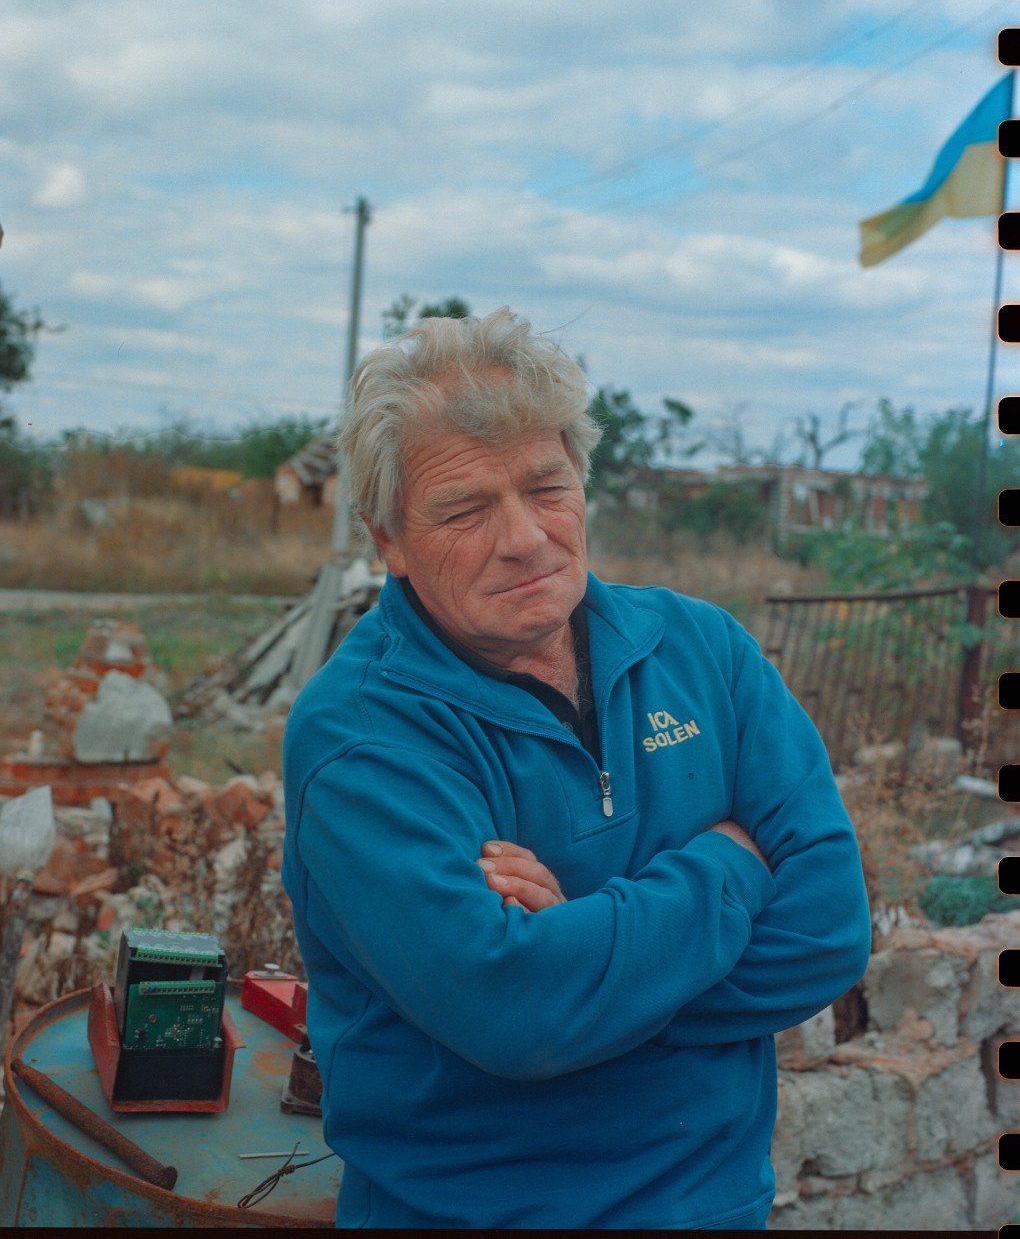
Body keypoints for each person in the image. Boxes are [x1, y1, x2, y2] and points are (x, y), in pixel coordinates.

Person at [281, 307, 872, 1230]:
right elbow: (516, 1012)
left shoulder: (702, 648)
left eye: (546, 487)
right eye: (466, 508)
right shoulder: (364, 734)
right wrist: (728, 864)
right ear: (387, 539)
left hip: (713, 1204)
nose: (524, 536)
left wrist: (587, 967)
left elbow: (831, 927)